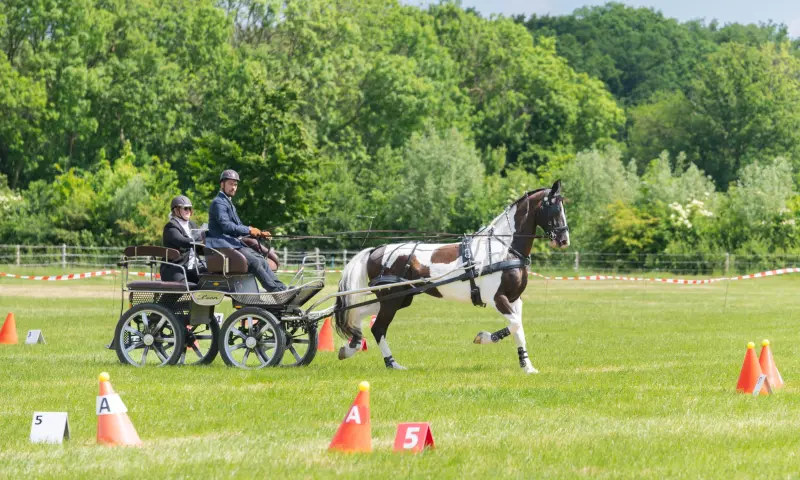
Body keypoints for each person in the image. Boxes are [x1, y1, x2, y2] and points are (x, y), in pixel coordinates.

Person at [206, 169, 287, 292]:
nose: (233, 187)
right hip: (221, 245)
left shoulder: (228, 203)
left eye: (235, 184)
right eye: (230, 184)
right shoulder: (219, 203)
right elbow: (226, 226)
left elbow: (238, 225)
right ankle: (275, 291)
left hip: (232, 243)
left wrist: (258, 233)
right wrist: (249, 230)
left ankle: (282, 288)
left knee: (261, 260)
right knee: (255, 262)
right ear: (222, 184)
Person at [161, 195, 207, 284]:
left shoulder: (192, 225)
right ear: (176, 210)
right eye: (185, 208)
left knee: (212, 279)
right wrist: (200, 240)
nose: (188, 211)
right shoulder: (171, 226)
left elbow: (197, 246)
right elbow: (182, 242)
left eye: (190, 209)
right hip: (175, 268)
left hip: (193, 267)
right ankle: (163, 298)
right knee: (183, 287)